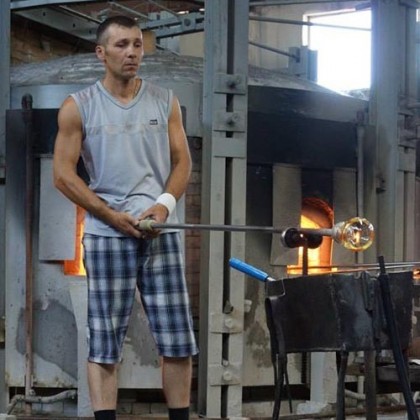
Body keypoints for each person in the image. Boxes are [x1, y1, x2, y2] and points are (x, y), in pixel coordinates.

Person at [53, 15, 198, 420]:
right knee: (103, 344)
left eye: (136, 44)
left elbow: (183, 160)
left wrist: (165, 204)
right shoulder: (77, 106)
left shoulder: (164, 100)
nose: (132, 52)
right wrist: (111, 216)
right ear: (101, 53)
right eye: (121, 45)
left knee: (178, 340)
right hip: (106, 236)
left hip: (160, 232)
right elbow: (63, 176)